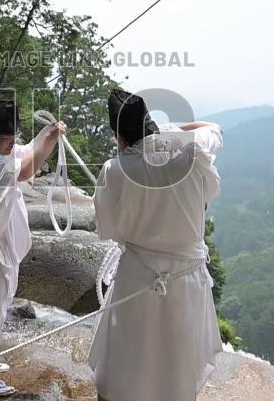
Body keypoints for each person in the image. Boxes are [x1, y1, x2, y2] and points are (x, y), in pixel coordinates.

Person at [89, 88, 224, 401]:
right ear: (150, 121)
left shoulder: (115, 169)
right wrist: (171, 129)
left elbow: (107, 229)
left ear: (117, 134)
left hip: (137, 277)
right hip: (187, 280)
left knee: (124, 364)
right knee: (177, 366)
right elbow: (214, 129)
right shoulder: (192, 152)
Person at [0, 98, 65, 397]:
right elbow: (28, 167)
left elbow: (24, 152)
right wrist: (51, 137)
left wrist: (48, 134)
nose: (11, 145)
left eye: (12, 140)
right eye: (6, 140)